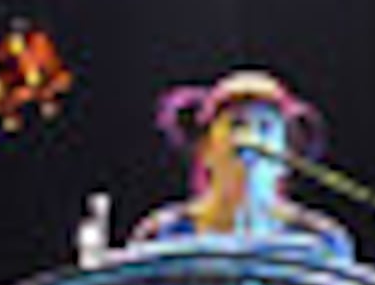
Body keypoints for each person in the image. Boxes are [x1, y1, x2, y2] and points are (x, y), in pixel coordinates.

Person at [128, 67, 354, 254]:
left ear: (287, 158)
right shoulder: (163, 234)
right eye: (237, 125)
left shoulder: (320, 241)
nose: (251, 138)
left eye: (265, 128)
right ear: (205, 149)